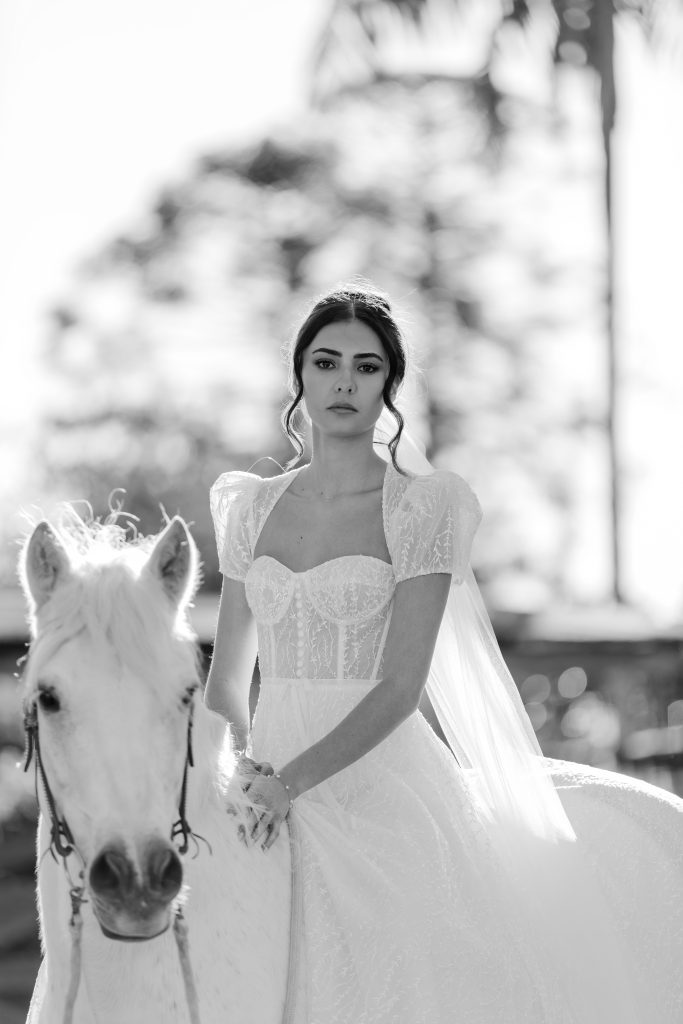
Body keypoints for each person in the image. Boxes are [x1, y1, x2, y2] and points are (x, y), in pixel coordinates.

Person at [206, 285, 683, 1024]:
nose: (343, 382)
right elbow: (227, 682)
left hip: (379, 779)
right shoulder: (249, 507)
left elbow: (400, 687)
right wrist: (246, 771)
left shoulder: (422, 508)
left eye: (365, 368)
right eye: (325, 362)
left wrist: (292, 782)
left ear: (388, 385)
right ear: (299, 373)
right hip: (260, 783)